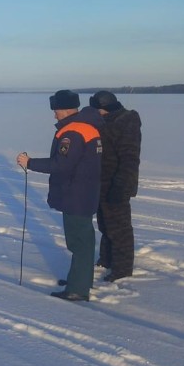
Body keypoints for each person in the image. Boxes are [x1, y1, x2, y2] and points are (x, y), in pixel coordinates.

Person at [16, 90, 103, 301]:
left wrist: (30, 163)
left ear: (65, 110)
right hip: (85, 191)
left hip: (76, 193)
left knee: (78, 242)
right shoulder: (87, 127)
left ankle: (78, 289)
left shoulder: (73, 132)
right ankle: (81, 279)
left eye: (56, 110)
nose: (54, 114)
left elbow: (61, 164)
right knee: (84, 239)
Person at [90, 90, 142, 282]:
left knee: (120, 229)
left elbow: (129, 159)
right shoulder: (107, 120)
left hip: (117, 183)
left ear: (104, 108)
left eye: (97, 110)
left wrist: (121, 186)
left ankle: (122, 269)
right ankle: (106, 260)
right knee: (105, 225)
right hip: (102, 183)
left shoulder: (126, 122)